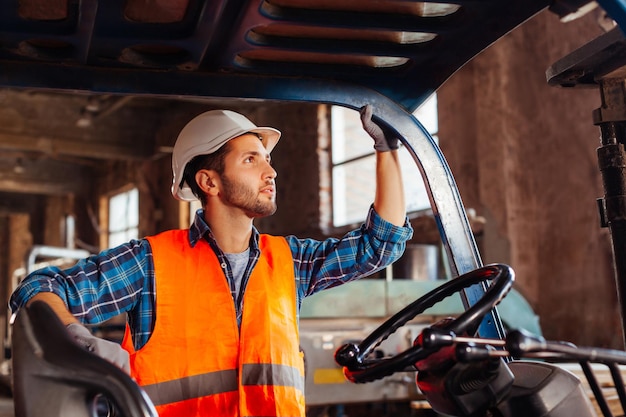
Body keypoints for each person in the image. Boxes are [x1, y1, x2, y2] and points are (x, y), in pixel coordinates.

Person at [10, 105, 413, 417]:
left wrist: (386, 149)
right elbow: (37, 288)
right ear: (209, 182)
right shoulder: (150, 263)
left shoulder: (290, 262)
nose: (270, 172)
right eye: (251, 160)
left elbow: (381, 245)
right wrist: (80, 344)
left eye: (267, 159)